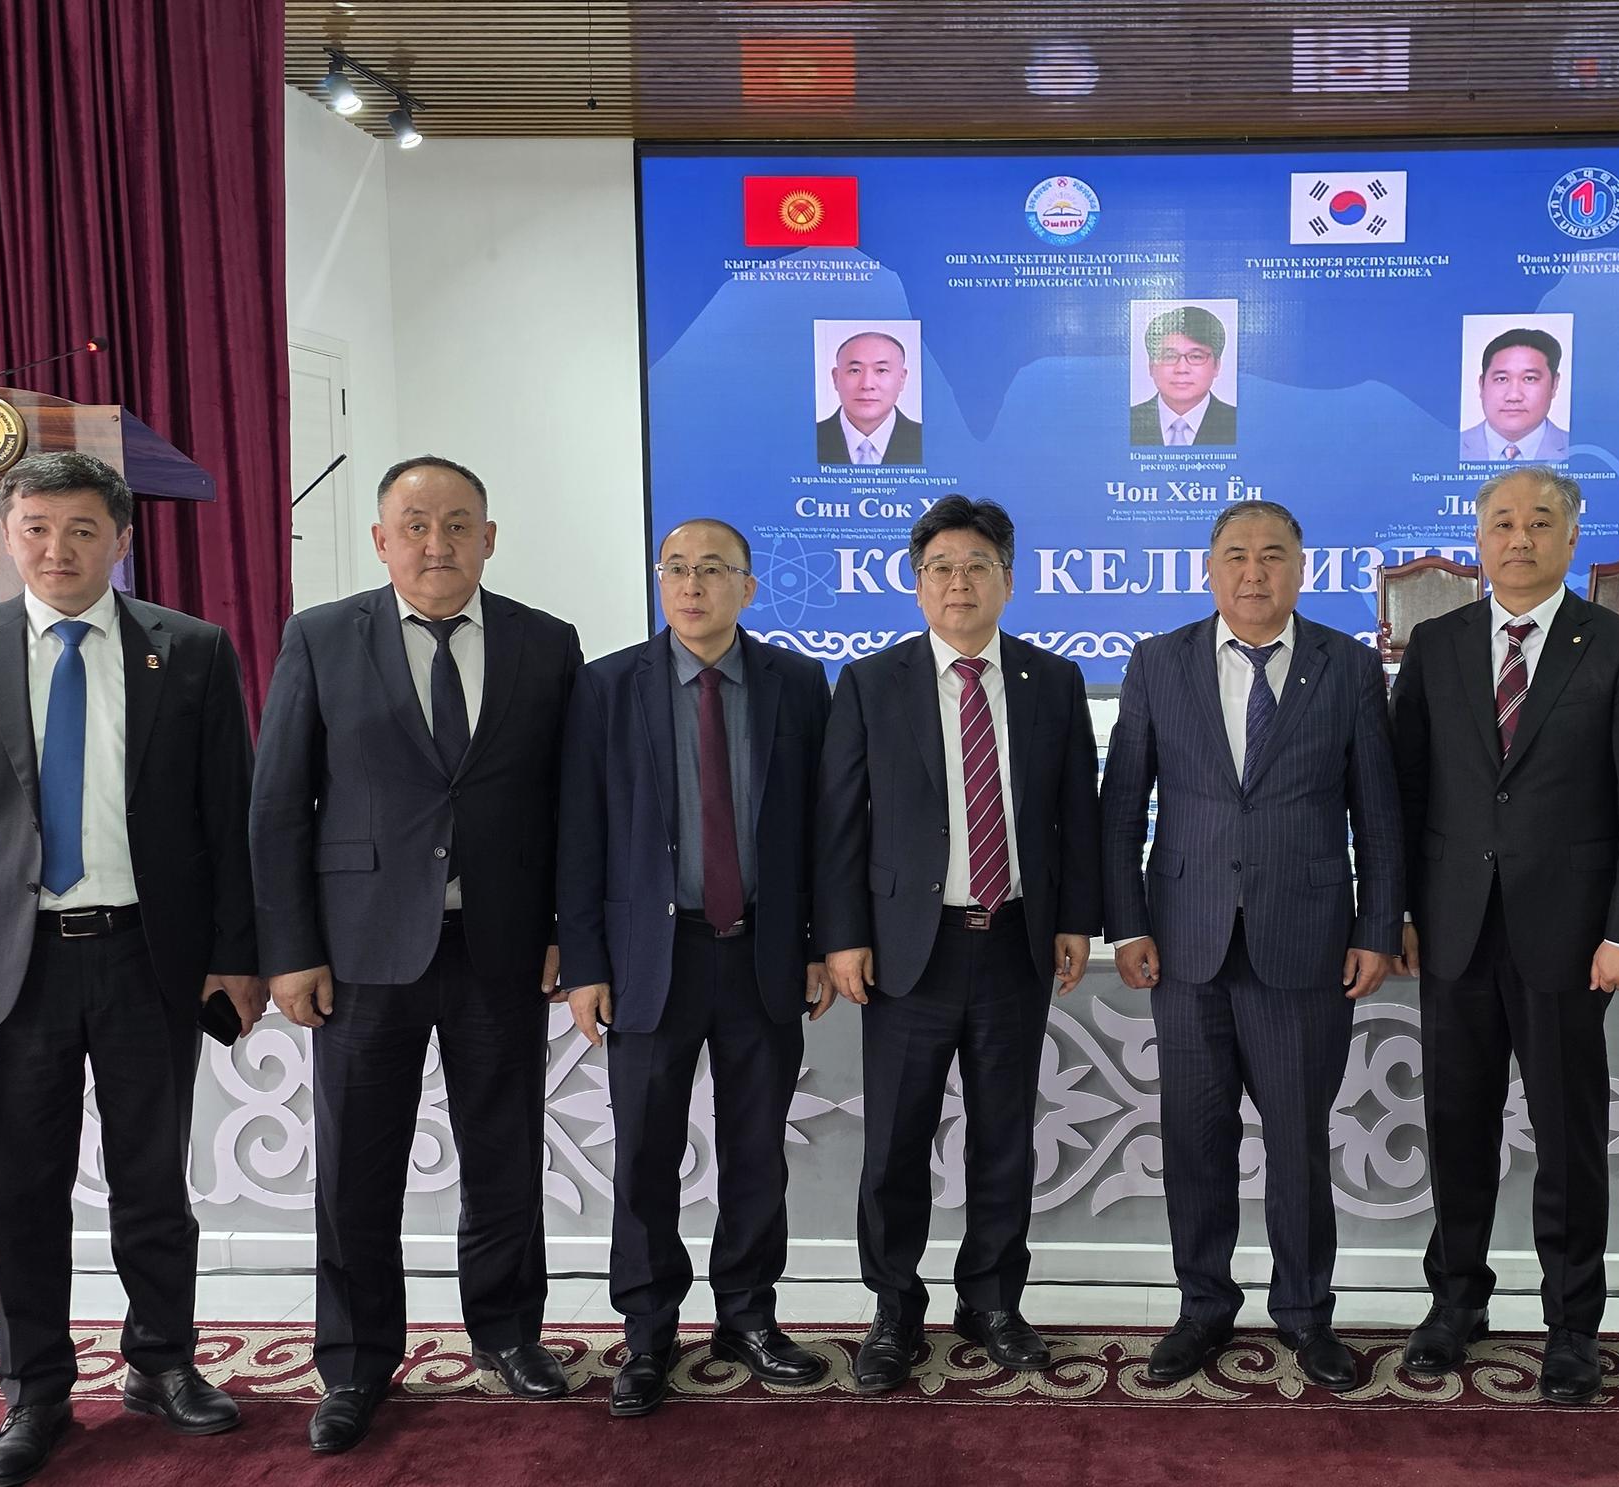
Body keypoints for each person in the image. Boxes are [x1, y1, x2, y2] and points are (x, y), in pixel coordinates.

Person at [0, 452, 262, 1486]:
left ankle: (162, 1362)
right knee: (22, 1191)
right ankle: (36, 1392)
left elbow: (228, 821)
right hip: (9, 970)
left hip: (150, 957)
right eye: (38, 528)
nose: (59, 549)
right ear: (8, 534)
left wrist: (237, 957)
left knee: (153, 1183)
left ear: (122, 540)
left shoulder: (191, 650)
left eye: (83, 529)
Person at [252, 456, 583, 1454]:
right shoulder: (321, 636)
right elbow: (279, 805)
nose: (437, 544)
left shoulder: (545, 641)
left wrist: (567, 929)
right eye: (416, 525)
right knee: (356, 1169)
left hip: (501, 945)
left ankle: (508, 1333)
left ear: (490, 537)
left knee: (505, 1155)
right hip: (358, 952)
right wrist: (290, 949)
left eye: (458, 524)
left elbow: (572, 805)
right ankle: (356, 1363)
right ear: (381, 540)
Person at [1387, 466, 1619, 1403]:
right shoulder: (1437, 645)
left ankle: (1572, 1322)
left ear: (1572, 536)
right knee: (1456, 1128)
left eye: (1540, 522)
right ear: (1479, 538)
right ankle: (1455, 1300)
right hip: (1455, 930)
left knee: (1567, 1136)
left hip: (1571, 937)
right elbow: (1404, 794)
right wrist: (1399, 911)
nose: (1520, 538)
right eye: (1503, 523)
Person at [1100, 499, 1401, 1392]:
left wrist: (1377, 927)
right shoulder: (1159, 662)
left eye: (1273, 555)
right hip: (1184, 944)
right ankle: (1202, 1306)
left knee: (1299, 1141)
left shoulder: (1347, 665)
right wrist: (1127, 921)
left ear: (1302, 569)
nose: (1254, 571)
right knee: (1194, 1139)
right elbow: (1122, 809)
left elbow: (1379, 813)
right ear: (1209, 568)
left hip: (1305, 943)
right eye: (1236, 554)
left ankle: (1306, 1313)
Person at [814, 495, 1102, 1393]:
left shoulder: (1053, 681)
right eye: (940, 567)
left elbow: (1076, 815)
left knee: (1005, 1136)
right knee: (896, 1143)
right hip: (911, 950)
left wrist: (1074, 918)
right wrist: (842, 936)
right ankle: (894, 1307)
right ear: (917, 583)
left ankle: (992, 1301)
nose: (958, 582)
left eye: (977, 565)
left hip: (1014, 941)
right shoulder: (871, 683)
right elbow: (838, 825)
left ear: (1008, 580)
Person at [558, 518, 836, 1418]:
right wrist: (585, 961)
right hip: (652, 958)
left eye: (712, 569)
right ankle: (647, 1333)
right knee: (646, 1153)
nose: (691, 585)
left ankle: (748, 1316)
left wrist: (818, 943)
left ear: (747, 587)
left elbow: (824, 827)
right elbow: (580, 832)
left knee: (757, 1152)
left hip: (762, 953)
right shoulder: (607, 686)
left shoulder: (798, 682)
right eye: (675, 568)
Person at [1129, 306, 1238, 447]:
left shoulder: (1239, 422)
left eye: (1196, 356)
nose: (1181, 369)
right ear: (1151, 366)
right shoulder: (1128, 421)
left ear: (1216, 365)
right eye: (1169, 356)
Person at [1459, 328, 1570, 462]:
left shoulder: (1576, 448)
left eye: (1529, 379)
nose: (1513, 396)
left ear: (1554, 384)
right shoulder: (1450, 447)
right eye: (1502, 379)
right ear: (1482, 385)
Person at [817, 330, 924, 465]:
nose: (867, 385)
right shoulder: (808, 438)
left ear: (902, 378)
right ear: (836, 378)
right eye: (855, 370)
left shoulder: (928, 440)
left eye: (881, 370)